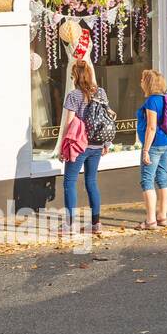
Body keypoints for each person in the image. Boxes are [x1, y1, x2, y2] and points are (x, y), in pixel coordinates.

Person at [56, 59, 110, 235]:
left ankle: (70, 224)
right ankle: (96, 224)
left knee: (70, 182)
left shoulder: (74, 95)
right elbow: (107, 118)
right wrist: (106, 143)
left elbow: (69, 122)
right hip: (96, 144)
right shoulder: (100, 92)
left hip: (79, 145)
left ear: (75, 76)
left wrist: (63, 146)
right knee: (92, 181)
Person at [137, 69, 167, 229]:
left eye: (142, 79)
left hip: (154, 144)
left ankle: (150, 220)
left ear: (148, 83)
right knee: (163, 178)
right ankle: (162, 216)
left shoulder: (152, 101)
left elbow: (151, 127)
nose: (140, 82)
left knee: (147, 180)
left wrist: (146, 150)